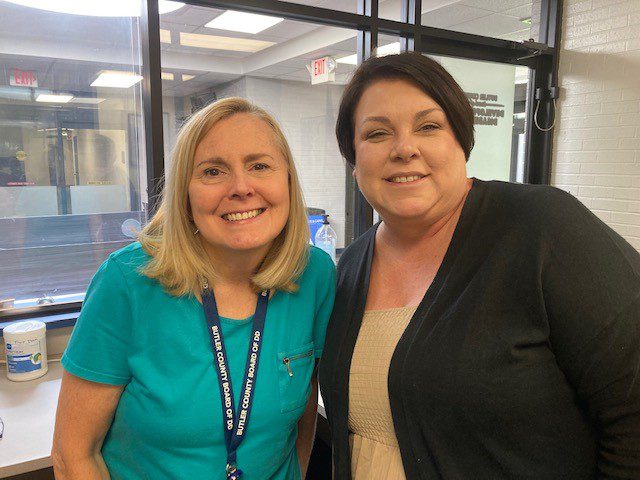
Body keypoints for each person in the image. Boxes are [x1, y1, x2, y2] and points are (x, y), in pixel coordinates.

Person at [319, 52, 640, 480]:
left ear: (461, 139)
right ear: (354, 160)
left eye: (429, 126)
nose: (404, 149)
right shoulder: (350, 265)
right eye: (377, 134)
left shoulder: (541, 228)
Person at [52, 97, 335, 480]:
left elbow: (301, 417)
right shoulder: (128, 282)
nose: (241, 187)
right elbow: (74, 455)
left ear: (288, 179)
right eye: (213, 171)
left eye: (259, 165)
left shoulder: (315, 274)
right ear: (185, 194)